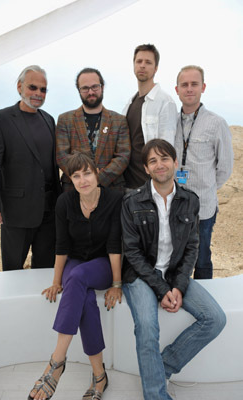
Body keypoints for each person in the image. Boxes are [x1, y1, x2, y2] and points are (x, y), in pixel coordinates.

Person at [121, 139, 226, 400]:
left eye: (165, 158)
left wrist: (178, 286)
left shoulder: (190, 200)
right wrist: (161, 288)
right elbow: (132, 253)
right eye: (153, 160)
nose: (160, 164)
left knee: (215, 318)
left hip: (175, 274)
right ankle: (156, 395)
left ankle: (161, 367)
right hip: (141, 276)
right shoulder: (132, 202)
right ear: (146, 168)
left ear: (175, 163)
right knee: (146, 327)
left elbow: (192, 248)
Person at [28, 151, 123, 400]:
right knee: (86, 299)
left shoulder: (114, 200)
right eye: (76, 176)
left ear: (97, 173)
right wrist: (56, 282)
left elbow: (115, 244)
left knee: (79, 276)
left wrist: (116, 283)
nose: (83, 180)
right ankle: (99, 376)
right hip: (76, 263)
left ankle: (56, 363)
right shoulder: (65, 202)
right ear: (71, 179)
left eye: (87, 173)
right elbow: (62, 246)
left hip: (102, 264)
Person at [0, 65, 61, 271]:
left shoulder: (49, 120)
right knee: (13, 270)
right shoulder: (0, 120)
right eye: (33, 87)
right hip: (17, 213)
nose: (38, 94)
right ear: (19, 86)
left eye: (43, 90)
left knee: (44, 270)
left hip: (48, 213)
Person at [175, 65, 233, 279]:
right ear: (177, 89)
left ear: (203, 87)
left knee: (201, 256)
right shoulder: (171, 122)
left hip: (203, 206)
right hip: (175, 205)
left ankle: (204, 302)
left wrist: (206, 186)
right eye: (184, 85)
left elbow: (225, 167)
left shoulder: (216, 123)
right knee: (176, 256)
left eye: (194, 84)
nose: (189, 89)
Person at [56, 67, 130, 192]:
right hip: (74, 191)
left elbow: (123, 156)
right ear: (78, 91)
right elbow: (62, 157)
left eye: (95, 86)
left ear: (102, 87)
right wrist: (83, 180)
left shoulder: (119, 120)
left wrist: (98, 179)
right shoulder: (65, 120)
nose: (91, 92)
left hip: (111, 190)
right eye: (85, 88)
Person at [123, 44, 178, 189]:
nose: (142, 66)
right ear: (133, 65)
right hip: (126, 186)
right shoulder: (129, 104)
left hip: (150, 187)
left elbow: (167, 148)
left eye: (148, 62)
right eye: (139, 61)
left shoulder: (165, 102)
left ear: (156, 68)